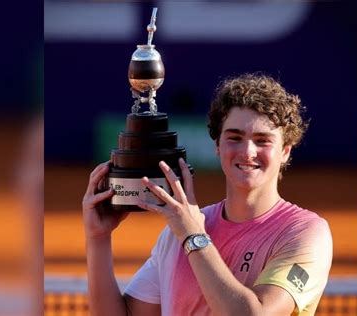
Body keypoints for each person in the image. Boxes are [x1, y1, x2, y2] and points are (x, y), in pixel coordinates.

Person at [83, 73, 333, 316]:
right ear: (218, 146)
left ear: (285, 151)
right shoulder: (178, 230)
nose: (247, 152)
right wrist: (98, 238)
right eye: (234, 137)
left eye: (262, 140)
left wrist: (193, 235)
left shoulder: (305, 233)